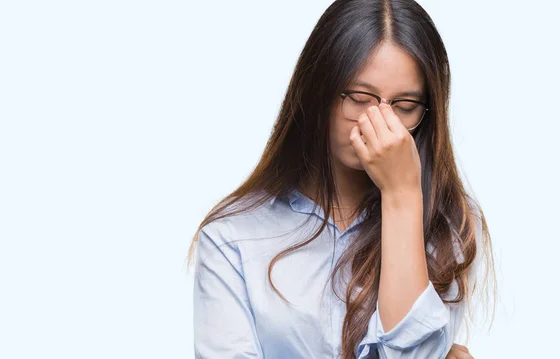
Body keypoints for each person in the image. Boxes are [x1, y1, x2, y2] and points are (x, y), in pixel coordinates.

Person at [186, 0, 496, 358]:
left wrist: (402, 195)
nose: (380, 123)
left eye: (404, 106)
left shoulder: (447, 226)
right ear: (319, 91)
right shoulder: (232, 237)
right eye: (360, 98)